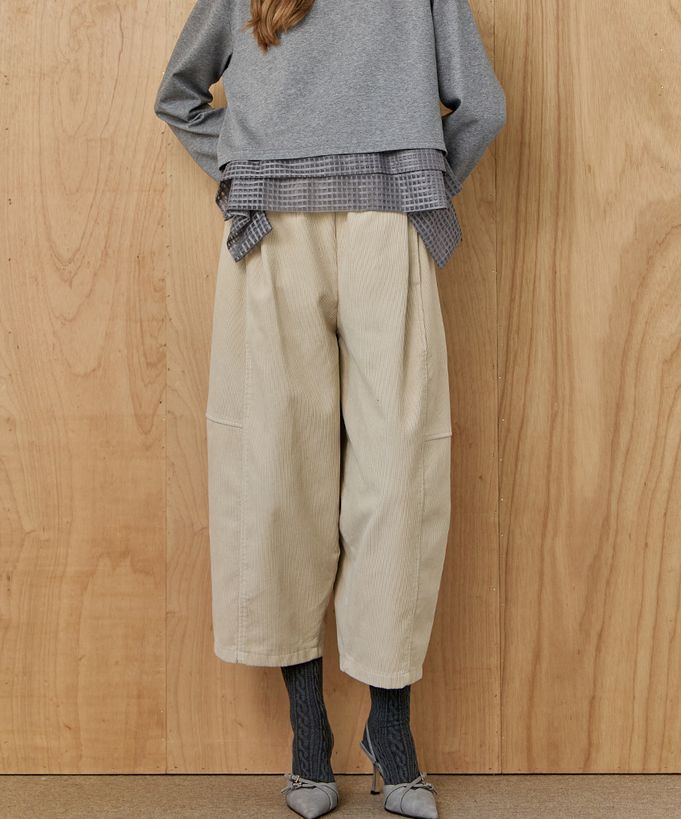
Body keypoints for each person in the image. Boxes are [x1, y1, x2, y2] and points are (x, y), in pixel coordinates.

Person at [154, 1, 505, 816]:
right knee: (379, 469)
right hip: (338, 224)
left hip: (301, 227)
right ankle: (340, 738)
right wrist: (417, 180)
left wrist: (249, 165)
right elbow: (481, 109)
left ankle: (348, 739)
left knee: (299, 468)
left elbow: (179, 96)